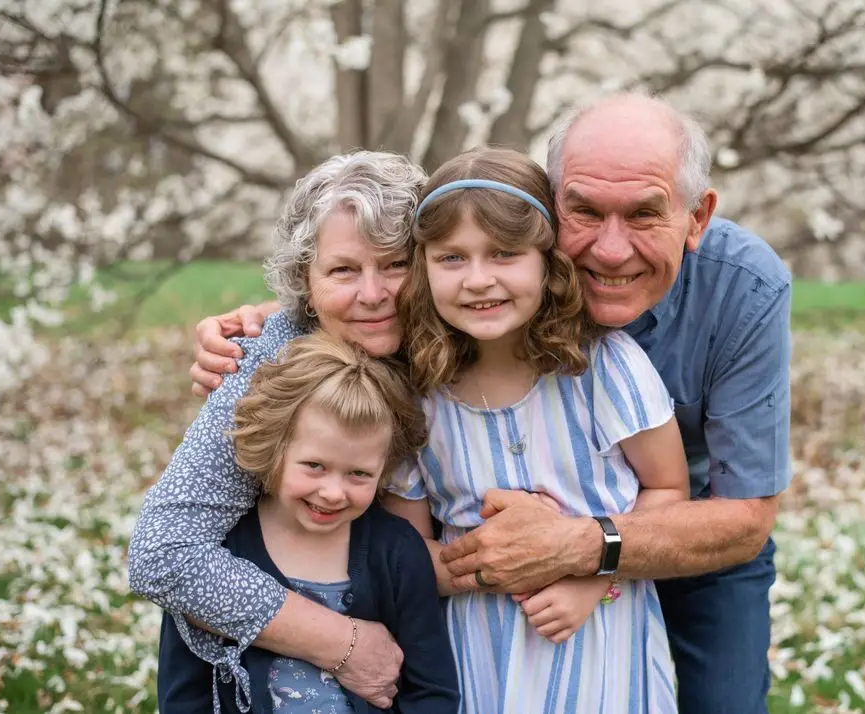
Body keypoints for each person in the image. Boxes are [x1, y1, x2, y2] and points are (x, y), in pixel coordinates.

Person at [191, 92, 792, 714]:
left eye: (643, 213)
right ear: (553, 212)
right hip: (477, 636)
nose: (611, 249)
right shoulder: (424, 380)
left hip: (689, 544)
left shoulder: (717, 303)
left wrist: (589, 560)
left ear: (696, 217)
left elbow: (737, 513)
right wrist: (278, 322)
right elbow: (386, 280)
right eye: (585, 211)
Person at [380, 147, 688, 713]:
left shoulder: (603, 369)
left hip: (598, 638)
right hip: (476, 652)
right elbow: (408, 548)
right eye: (452, 258)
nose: (478, 280)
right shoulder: (417, 393)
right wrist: (491, 565)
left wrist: (593, 575)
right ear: (423, 268)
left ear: (549, 263)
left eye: (505, 253)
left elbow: (668, 489)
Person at [128, 150, 430, 710]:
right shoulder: (269, 359)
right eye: (343, 270)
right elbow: (163, 552)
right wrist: (342, 643)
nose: (373, 293)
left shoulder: (471, 327)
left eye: (396, 264)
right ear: (305, 284)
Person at [157, 331, 458, 713]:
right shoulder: (220, 550)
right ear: (275, 447)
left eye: (359, 474)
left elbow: (432, 690)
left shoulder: (398, 553)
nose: (333, 492)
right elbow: (183, 691)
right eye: (315, 466)